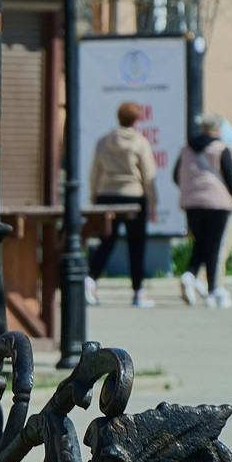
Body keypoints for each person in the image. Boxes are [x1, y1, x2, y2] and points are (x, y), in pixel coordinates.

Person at [89, 101, 158, 308]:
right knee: (136, 245)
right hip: (133, 196)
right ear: (136, 119)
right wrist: (153, 201)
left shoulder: (103, 141)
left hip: (106, 195)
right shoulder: (140, 142)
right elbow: (148, 175)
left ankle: (90, 279)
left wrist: (94, 197)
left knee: (106, 242)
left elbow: (94, 172)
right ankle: (137, 292)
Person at [175, 114, 232, 309]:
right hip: (217, 203)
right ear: (218, 129)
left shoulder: (186, 148)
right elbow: (231, 180)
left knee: (201, 241)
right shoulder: (221, 149)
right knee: (213, 246)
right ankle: (213, 290)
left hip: (191, 202)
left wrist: (191, 190)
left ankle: (189, 274)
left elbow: (176, 175)